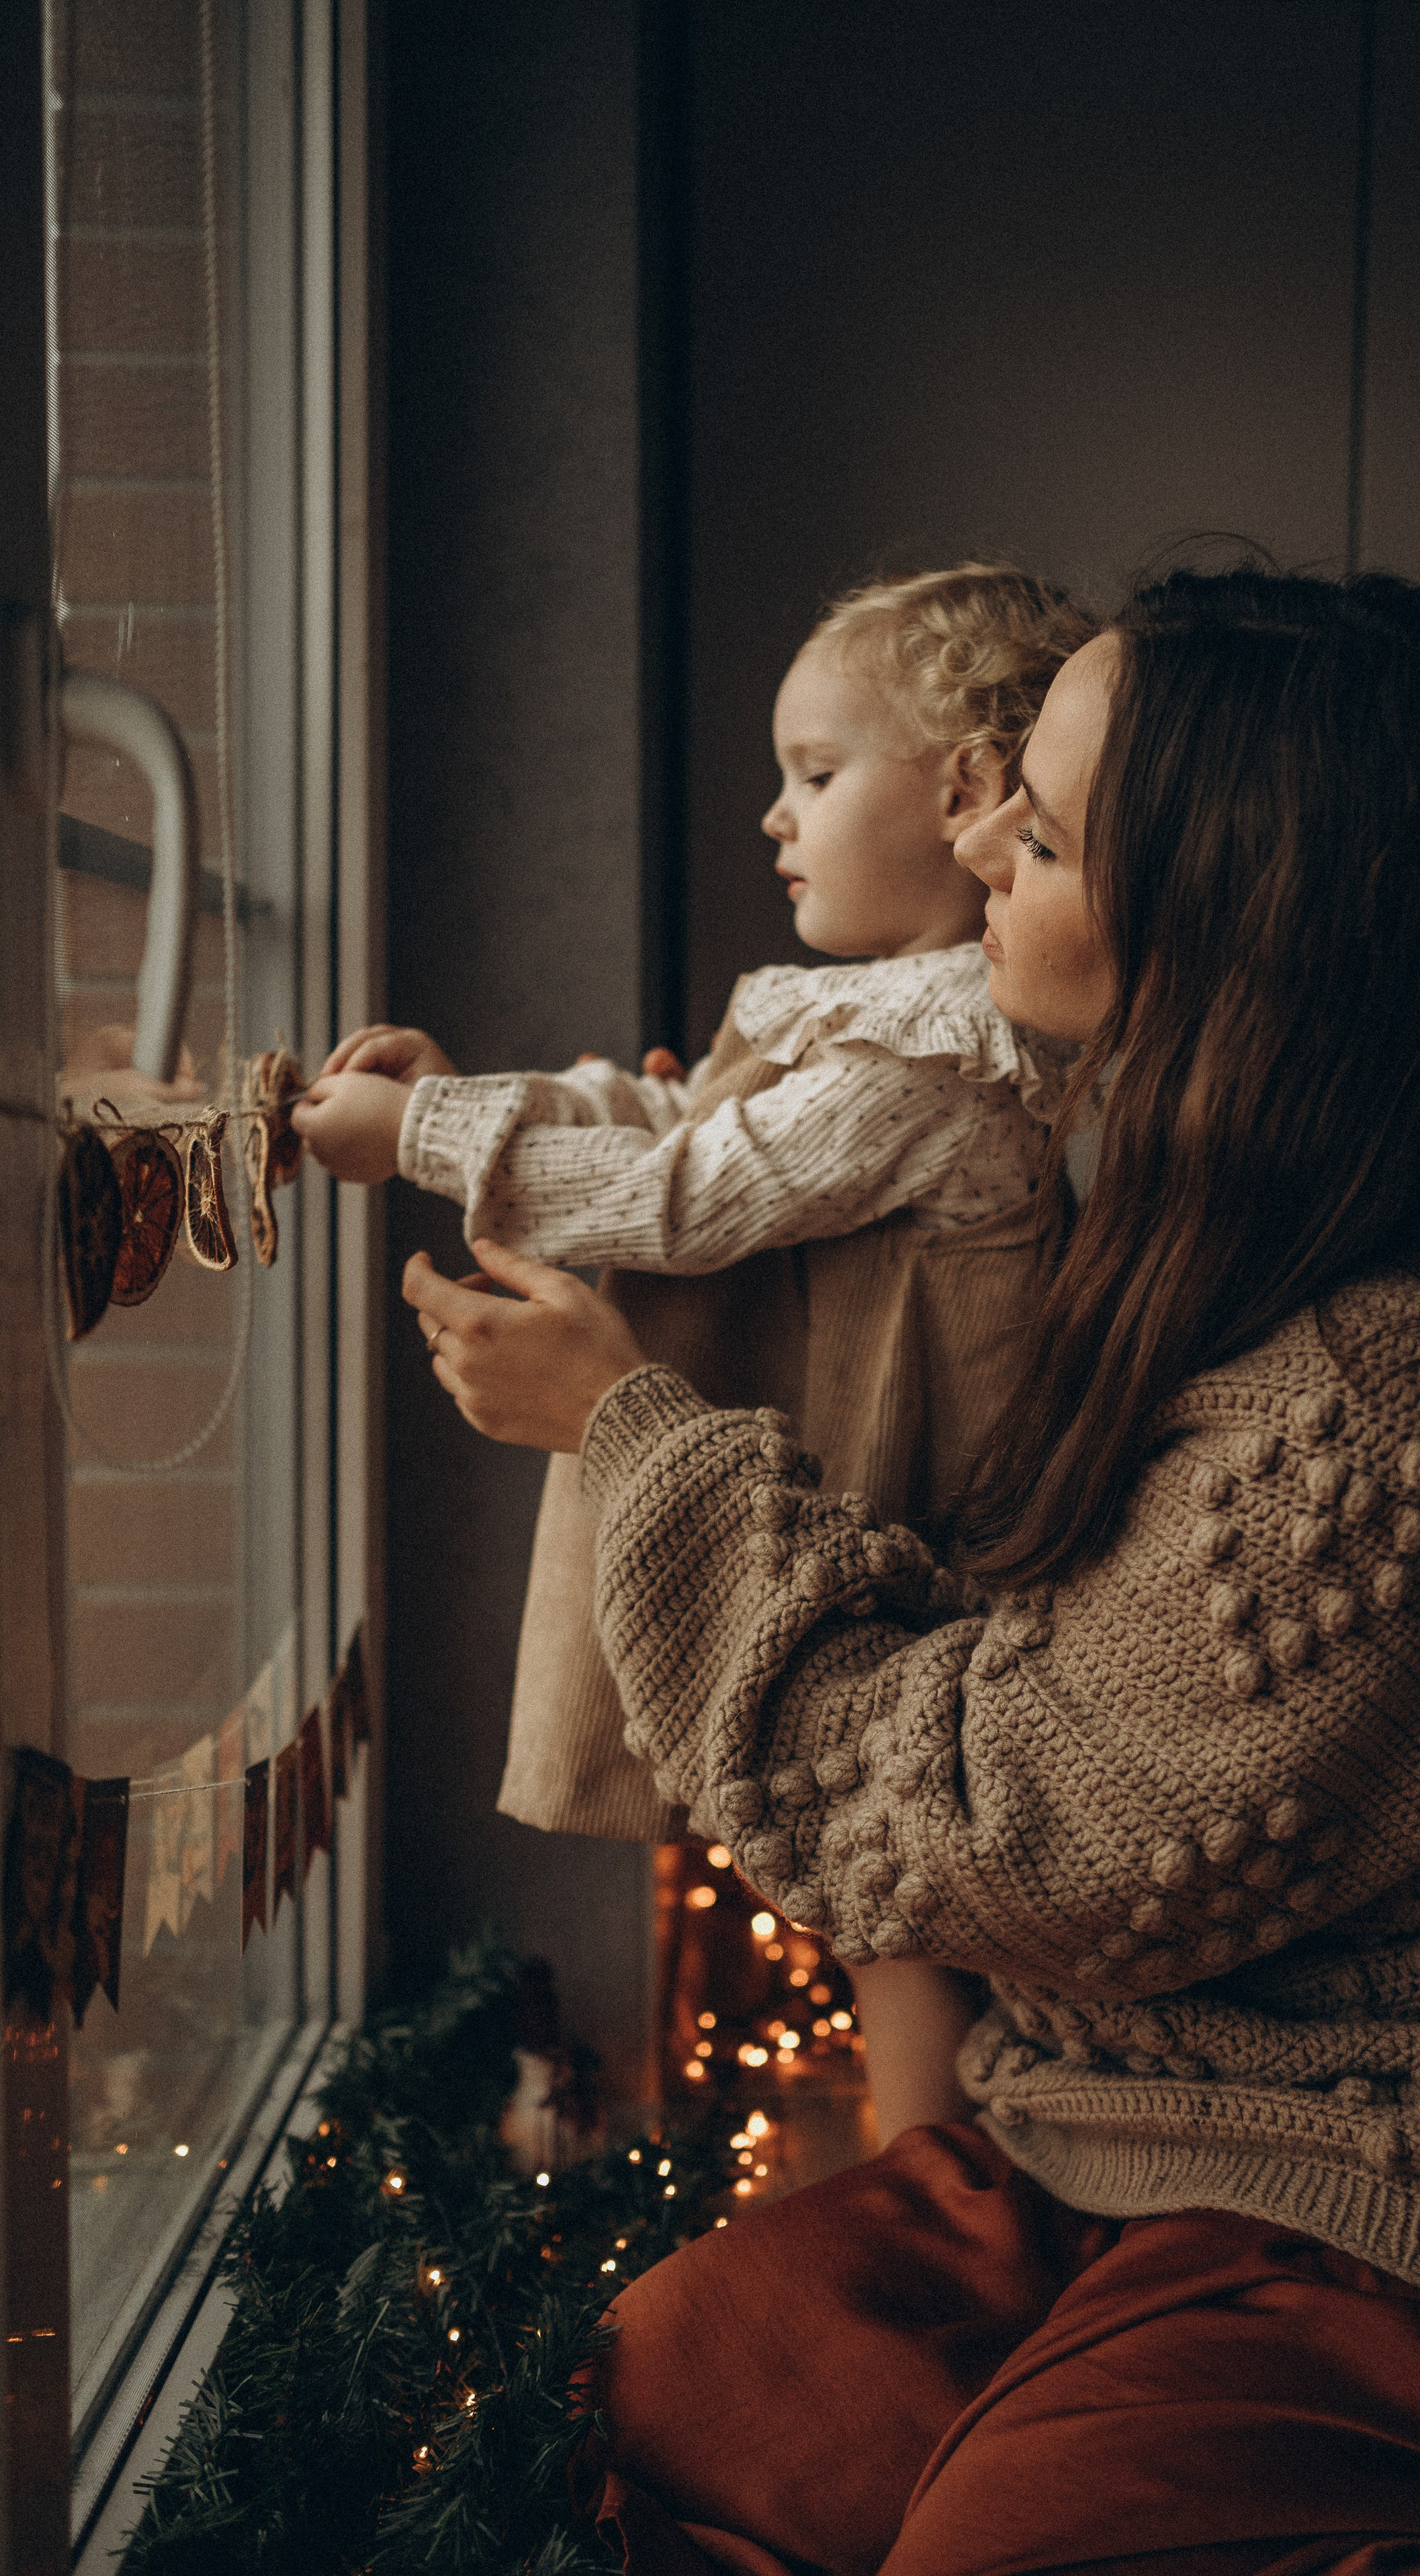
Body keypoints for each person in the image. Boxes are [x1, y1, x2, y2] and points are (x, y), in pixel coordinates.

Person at [403, 565, 1420, 2576]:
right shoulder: (1144, 1208)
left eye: (1045, 821)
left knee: (999, 2542)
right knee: (673, 2377)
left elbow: (1006, 1823)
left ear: (1235, 917)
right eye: (997, 790)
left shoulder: (1407, 1379)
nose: (978, 838)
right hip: (1137, 2108)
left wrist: (629, 1429)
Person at [294, 564, 1096, 2143]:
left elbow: (694, 1192)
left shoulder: (932, 1049)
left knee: (899, 1911)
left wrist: (430, 1142)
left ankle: (925, 2193)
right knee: (881, 1910)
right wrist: (477, 1100)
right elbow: (685, 1121)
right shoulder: (871, 1014)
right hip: (900, 1511)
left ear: (958, 790)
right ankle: (927, 2184)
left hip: (937, 1526)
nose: (772, 818)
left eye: (811, 774)